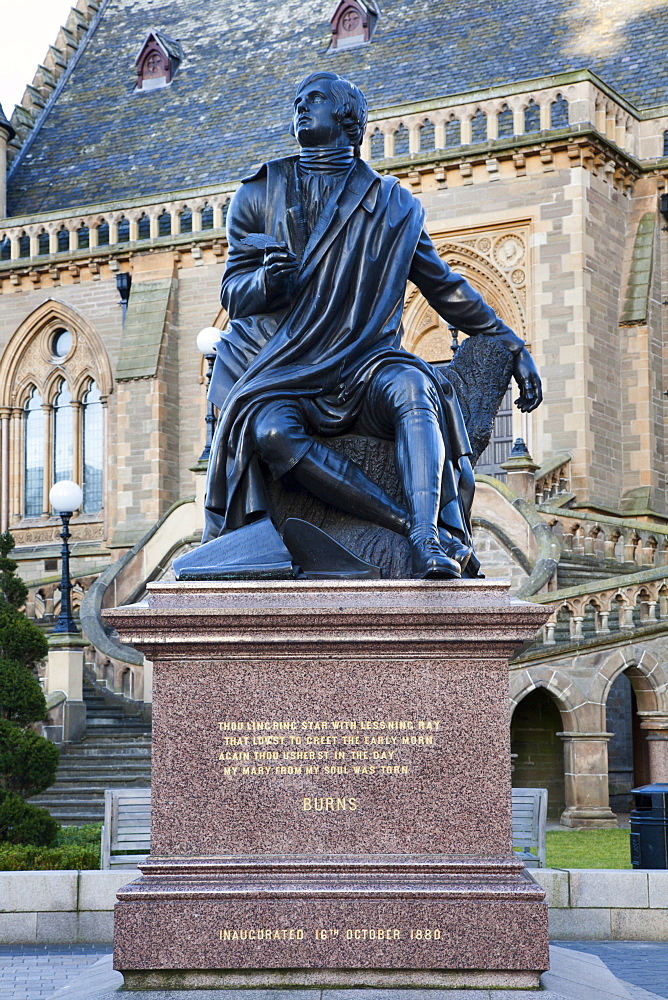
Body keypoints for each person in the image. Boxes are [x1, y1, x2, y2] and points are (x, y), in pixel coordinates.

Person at [203, 71, 542, 579]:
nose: (300, 108)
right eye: (297, 101)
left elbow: (443, 286)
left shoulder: (393, 204)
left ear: (348, 119)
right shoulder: (258, 194)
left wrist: (507, 339)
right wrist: (270, 286)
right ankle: (408, 522)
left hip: (363, 364)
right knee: (271, 430)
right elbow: (234, 291)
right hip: (285, 366)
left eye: (313, 100)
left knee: (412, 388)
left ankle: (429, 540)